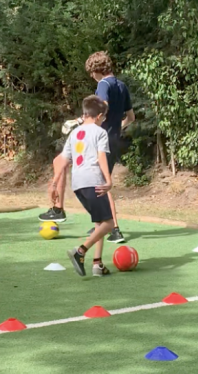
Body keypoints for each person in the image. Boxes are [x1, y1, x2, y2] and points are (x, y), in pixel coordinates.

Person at [40, 51, 135, 244]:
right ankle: (103, 222)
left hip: (97, 139)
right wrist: (115, 130)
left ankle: (113, 228)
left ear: (97, 70)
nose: (92, 77)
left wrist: (79, 121)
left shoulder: (103, 84)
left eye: (92, 72)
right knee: (95, 179)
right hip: (113, 139)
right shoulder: (122, 86)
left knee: (95, 181)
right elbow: (131, 117)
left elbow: (102, 109)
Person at [51, 95, 114, 277]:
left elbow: (63, 161)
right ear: (99, 116)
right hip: (94, 181)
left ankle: (97, 265)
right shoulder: (100, 132)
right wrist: (108, 181)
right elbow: (101, 157)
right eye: (103, 118)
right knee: (109, 223)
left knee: (99, 222)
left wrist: (54, 184)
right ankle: (80, 252)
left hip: (78, 184)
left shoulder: (74, 134)